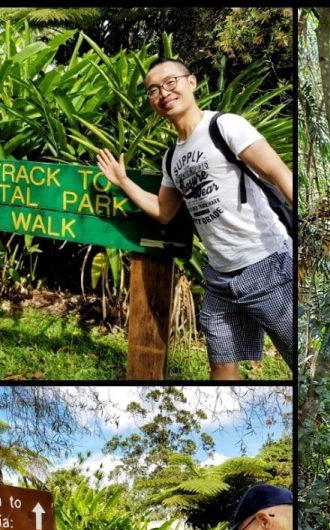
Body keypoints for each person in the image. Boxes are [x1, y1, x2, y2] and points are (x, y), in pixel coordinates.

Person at [96, 59, 294, 380]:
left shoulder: (225, 126)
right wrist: (122, 181)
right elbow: (164, 210)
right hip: (220, 278)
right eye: (154, 90)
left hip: (266, 265)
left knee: (302, 357)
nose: (164, 93)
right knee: (220, 365)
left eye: (171, 82)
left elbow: (279, 173)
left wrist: (312, 230)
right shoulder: (172, 157)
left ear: (192, 82)